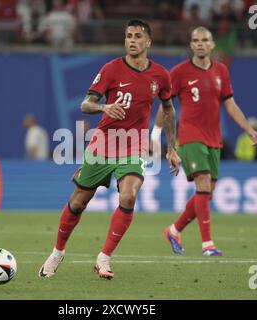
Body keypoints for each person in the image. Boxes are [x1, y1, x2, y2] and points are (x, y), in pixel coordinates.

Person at [38, 19, 181, 280]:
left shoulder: (160, 75)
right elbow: (85, 104)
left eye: (138, 36)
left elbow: (169, 110)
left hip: (135, 144)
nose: (132, 40)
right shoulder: (112, 69)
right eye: (128, 36)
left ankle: (104, 258)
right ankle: (58, 252)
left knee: (128, 197)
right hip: (104, 141)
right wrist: (104, 107)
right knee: (79, 201)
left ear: (148, 42)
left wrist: (171, 148)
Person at [152, 26, 257, 257]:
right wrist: (156, 132)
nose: (200, 44)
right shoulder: (179, 72)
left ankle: (174, 230)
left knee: (207, 193)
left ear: (212, 45)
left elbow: (230, 104)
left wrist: (247, 128)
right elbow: (166, 104)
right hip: (190, 136)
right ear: (191, 45)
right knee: (202, 184)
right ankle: (207, 244)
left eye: (205, 40)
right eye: (195, 40)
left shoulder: (221, 71)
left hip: (214, 139)